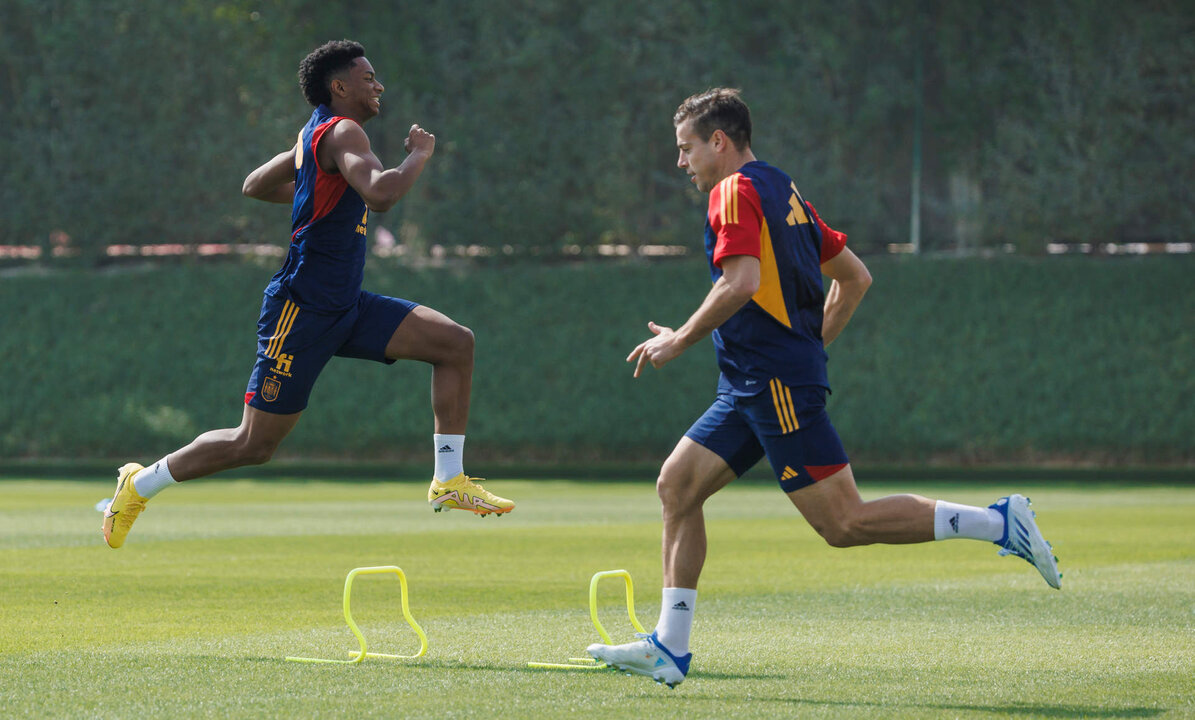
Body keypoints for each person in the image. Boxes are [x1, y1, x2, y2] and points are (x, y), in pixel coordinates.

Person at [586, 88, 1060, 688]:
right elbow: (855, 278)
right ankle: (669, 648)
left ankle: (1000, 522)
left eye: (685, 149)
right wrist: (806, 349)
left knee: (845, 524)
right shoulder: (784, 189)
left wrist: (679, 339)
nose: (681, 163)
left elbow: (740, 283)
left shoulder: (732, 191)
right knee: (677, 486)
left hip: (771, 383)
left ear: (718, 142)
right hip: (753, 385)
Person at [102, 40, 514, 549]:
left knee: (454, 343)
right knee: (253, 444)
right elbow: (382, 194)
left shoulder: (314, 135)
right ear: (339, 87)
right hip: (300, 309)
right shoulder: (343, 130)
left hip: (346, 304)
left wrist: (310, 181)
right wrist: (419, 157)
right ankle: (139, 485)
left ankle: (448, 480)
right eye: (368, 78)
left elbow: (254, 184)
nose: (378, 85)